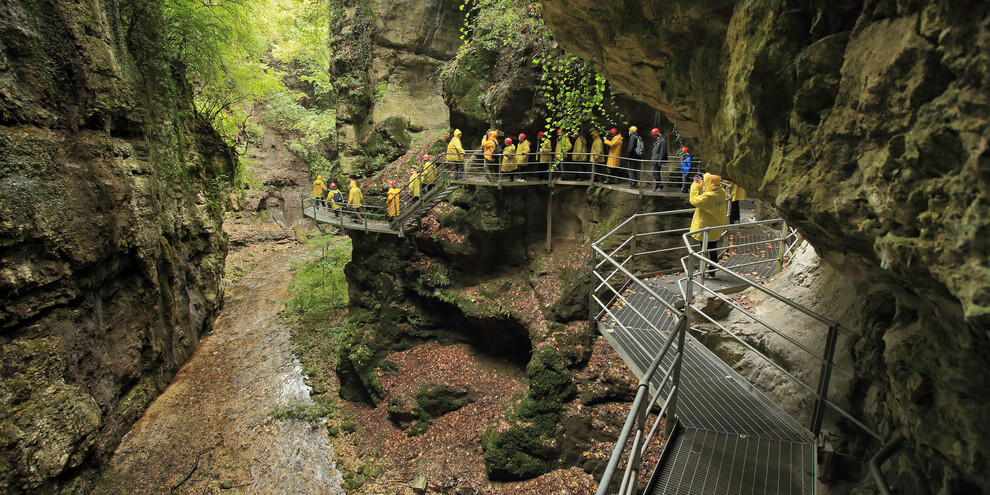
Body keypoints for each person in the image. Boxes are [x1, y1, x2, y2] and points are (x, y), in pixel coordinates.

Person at [689, 173, 728, 278]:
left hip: (705, 227)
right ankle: (712, 271)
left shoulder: (708, 197)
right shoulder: (722, 192)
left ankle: (701, 270)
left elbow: (694, 200)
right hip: (716, 226)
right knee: (713, 249)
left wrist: (695, 186)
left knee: (703, 250)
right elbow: (707, 194)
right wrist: (701, 185)